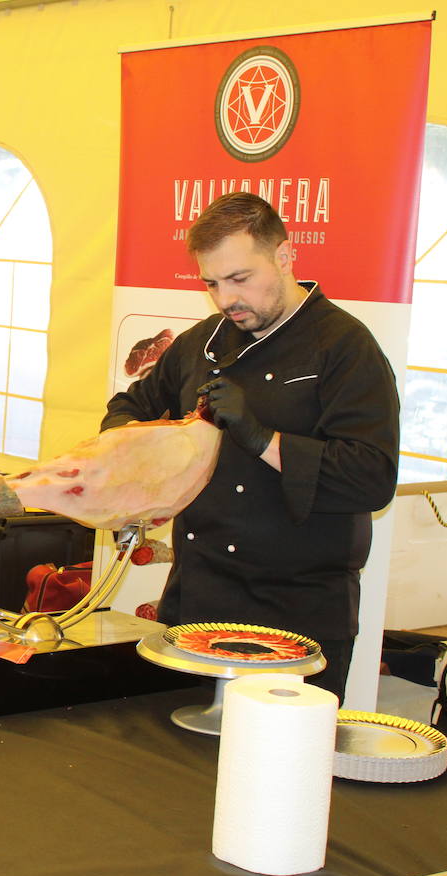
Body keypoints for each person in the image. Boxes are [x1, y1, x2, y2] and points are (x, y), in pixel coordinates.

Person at [102, 192, 399, 699]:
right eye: (212, 284)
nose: (225, 300)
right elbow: (125, 411)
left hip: (296, 616)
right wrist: (144, 471)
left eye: (240, 279)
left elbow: (370, 478)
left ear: (284, 256)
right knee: (165, 765)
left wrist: (260, 437)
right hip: (196, 602)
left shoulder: (345, 348)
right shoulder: (200, 344)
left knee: (277, 768)